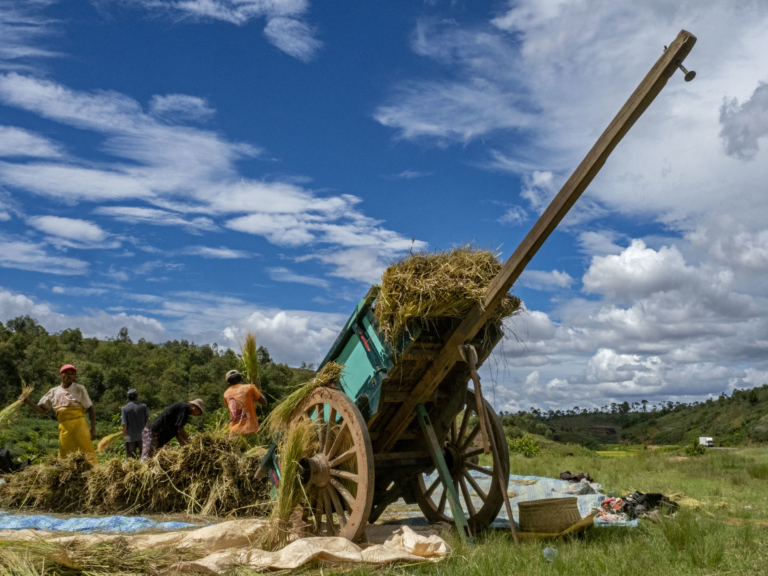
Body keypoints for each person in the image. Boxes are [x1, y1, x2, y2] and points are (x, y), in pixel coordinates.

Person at [24, 364, 98, 465]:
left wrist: (93, 429)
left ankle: (92, 470)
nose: (69, 375)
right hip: (64, 427)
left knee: (86, 451)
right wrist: (28, 402)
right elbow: (42, 410)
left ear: (74, 376)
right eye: (66, 373)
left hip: (80, 426)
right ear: (60, 375)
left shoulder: (80, 389)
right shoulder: (54, 392)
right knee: (65, 455)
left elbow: (90, 408)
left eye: (72, 373)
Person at [223, 369, 267, 437]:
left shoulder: (225, 394)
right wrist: (257, 389)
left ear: (228, 384)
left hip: (234, 434)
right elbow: (264, 402)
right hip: (250, 430)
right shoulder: (249, 387)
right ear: (242, 379)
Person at [121, 389, 150, 459]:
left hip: (130, 437)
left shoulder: (125, 409)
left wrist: (124, 432)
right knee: (144, 457)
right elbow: (147, 420)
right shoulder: (143, 406)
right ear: (136, 396)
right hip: (143, 436)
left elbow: (124, 424)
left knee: (130, 458)